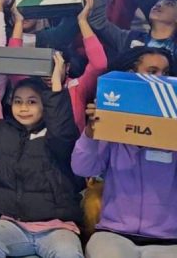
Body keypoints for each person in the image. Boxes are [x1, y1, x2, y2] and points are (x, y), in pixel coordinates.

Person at [0, 54, 84, 258]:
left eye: (32, 102)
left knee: (68, 253)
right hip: (13, 225)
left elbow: (63, 133)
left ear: (44, 106)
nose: (24, 107)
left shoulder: (57, 135)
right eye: (18, 101)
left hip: (56, 228)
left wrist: (56, 83)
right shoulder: (3, 131)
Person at [72, 47, 177, 258]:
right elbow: (82, 167)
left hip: (168, 239)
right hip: (114, 234)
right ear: (130, 76)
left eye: (165, 73)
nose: (160, 79)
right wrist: (91, 133)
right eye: (152, 71)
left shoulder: (173, 128)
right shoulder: (111, 127)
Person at [10, 0, 107, 131]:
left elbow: (99, 64)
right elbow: (12, 63)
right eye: (43, 64)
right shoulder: (30, 87)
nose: (50, 72)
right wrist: (19, 22)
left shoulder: (77, 88)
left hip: (74, 150)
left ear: (67, 66)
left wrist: (82, 21)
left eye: (55, 64)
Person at [89, 0, 177, 64]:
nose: (158, 5)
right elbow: (99, 23)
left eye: (169, 4)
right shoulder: (130, 38)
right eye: (157, 3)